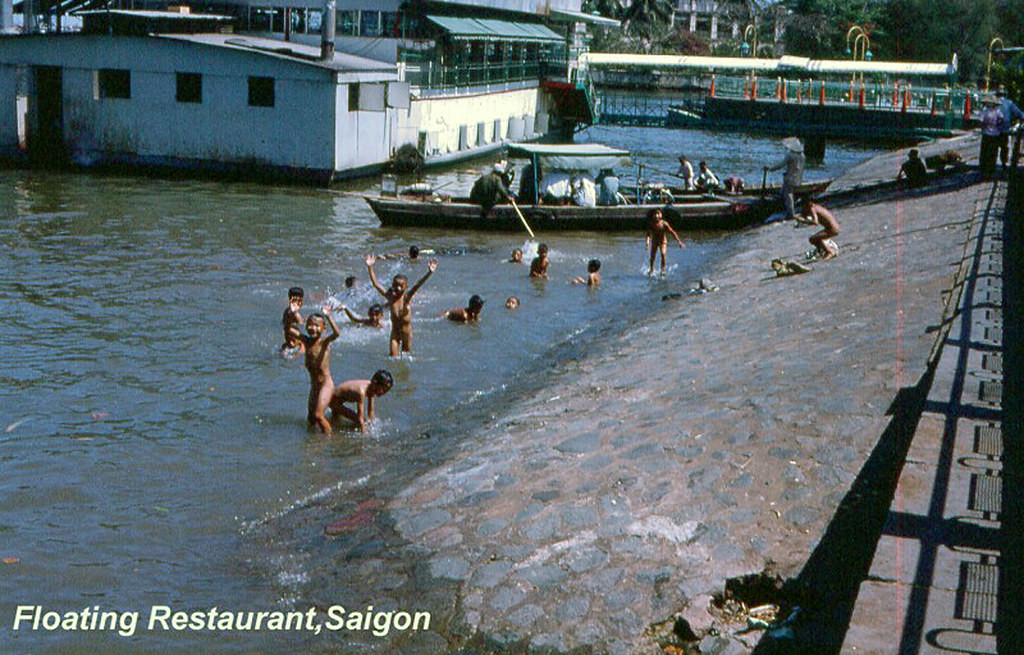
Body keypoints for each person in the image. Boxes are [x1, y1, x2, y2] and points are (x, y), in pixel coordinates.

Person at [366, 254, 437, 356]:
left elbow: (418, 284)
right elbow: (376, 284)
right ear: (392, 286)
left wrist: (429, 272)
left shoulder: (407, 298)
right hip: (394, 334)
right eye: (396, 285)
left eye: (401, 286)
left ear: (406, 287)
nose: (398, 288)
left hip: (406, 334)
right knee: (393, 358)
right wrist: (370, 267)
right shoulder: (390, 298)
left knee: (405, 358)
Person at [299, 307, 341, 434]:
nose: (313, 328)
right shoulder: (305, 342)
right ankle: (312, 443)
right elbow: (289, 330)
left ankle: (330, 440)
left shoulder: (324, 343)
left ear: (323, 329)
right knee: (311, 419)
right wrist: (292, 314)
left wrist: (328, 316)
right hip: (315, 386)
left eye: (317, 326)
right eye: (310, 325)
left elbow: (337, 334)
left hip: (326, 385)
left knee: (318, 415)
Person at [329, 370, 393, 433]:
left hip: (338, 399)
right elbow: (360, 418)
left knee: (335, 422)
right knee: (358, 421)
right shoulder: (361, 392)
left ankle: (334, 427)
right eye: (383, 390)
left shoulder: (371, 387)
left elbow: (370, 411)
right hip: (333, 401)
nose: (383, 393)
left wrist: (372, 424)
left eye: (386, 391)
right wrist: (365, 433)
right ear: (375, 383)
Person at [765, 137, 805, 220]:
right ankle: (783, 209)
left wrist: (770, 169)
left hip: (790, 179)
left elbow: (780, 165)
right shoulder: (802, 156)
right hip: (798, 178)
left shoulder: (790, 155)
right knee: (783, 193)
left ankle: (791, 213)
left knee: (788, 195)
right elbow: (797, 168)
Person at [645, 208, 685, 276]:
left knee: (663, 254)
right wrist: (647, 243)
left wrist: (679, 242)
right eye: (655, 214)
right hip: (655, 241)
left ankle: (662, 270)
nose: (656, 216)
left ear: (661, 215)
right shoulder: (651, 224)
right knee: (652, 256)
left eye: (658, 214)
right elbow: (648, 234)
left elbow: (672, 232)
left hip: (663, 241)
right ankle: (651, 269)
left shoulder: (664, 224)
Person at [996, 86, 1024, 168]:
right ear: (1004, 94)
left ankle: (990, 166)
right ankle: (1004, 163)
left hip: (993, 130)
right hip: (1005, 128)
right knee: (1004, 146)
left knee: (993, 147)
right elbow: (1019, 114)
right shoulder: (1009, 103)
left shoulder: (992, 103)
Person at [979, 96, 1006, 177]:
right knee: (993, 152)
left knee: (985, 151)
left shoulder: (985, 111)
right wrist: (997, 124)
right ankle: (991, 168)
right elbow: (1003, 120)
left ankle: (984, 169)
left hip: (986, 133)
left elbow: (980, 121)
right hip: (995, 133)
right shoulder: (998, 112)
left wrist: (984, 126)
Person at [280, 286, 305, 355]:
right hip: (296, 340)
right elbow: (301, 326)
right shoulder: (296, 314)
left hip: (288, 338)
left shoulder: (286, 311)